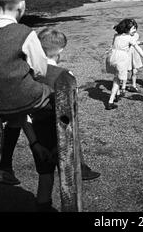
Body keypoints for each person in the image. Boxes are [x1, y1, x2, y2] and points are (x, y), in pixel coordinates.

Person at [0, 0, 54, 209]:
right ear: (22, 6)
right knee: (48, 96)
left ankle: (7, 163)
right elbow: (40, 69)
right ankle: (46, 159)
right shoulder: (25, 32)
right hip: (23, 98)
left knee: (16, 113)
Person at [37, 27, 101, 182]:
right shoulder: (65, 75)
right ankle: (79, 170)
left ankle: (43, 202)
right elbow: (73, 98)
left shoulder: (32, 73)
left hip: (38, 125)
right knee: (68, 158)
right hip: (62, 123)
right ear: (61, 50)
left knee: (45, 174)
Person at [105, 19, 143, 110]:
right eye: (133, 28)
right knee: (117, 80)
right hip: (121, 59)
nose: (135, 30)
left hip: (112, 57)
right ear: (127, 29)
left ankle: (116, 95)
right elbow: (138, 49)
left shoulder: (116, 36)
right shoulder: (129, 38)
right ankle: (110, 101)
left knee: (116, 77)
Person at [126, 21, 143, 93]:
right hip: (127, 55)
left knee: (135, 71)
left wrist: (142, 42)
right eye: (132, 28)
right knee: (125, 71)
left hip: (135, 54)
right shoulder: (125, 36)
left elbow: (135, 43)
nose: (135, 30)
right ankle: (121, 85)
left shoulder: (136, 35)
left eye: (135, 28)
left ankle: (133, 85)